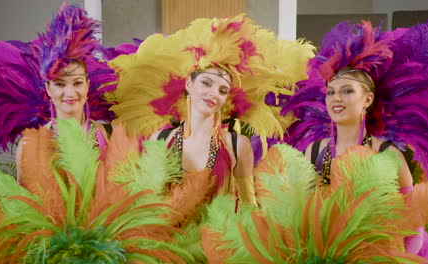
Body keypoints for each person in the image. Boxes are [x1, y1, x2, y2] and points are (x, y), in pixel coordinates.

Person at [106, 14, 315, 227]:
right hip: (168, 250)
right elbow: (145, 204)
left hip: (217, 249)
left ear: (227, 99)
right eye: (206, 83)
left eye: (222, 90)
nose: (213, 94)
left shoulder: (237, 145)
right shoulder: (159, 138)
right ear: (189, 84)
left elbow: (248, 208)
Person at [277, 20, 428, 262]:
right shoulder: (315, 152)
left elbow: (413, 227)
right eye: (331, 92)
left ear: (367, 99)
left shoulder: (387, 154)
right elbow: (300, 219)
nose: (336, 98)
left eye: (347, 91)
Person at [0, 4, 117, 180]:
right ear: (48, 89)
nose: (70, 92)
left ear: (87, 85)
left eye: (77, 83)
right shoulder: (30, 145)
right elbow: (26, 203)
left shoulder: (110, 135)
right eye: (60, 84)